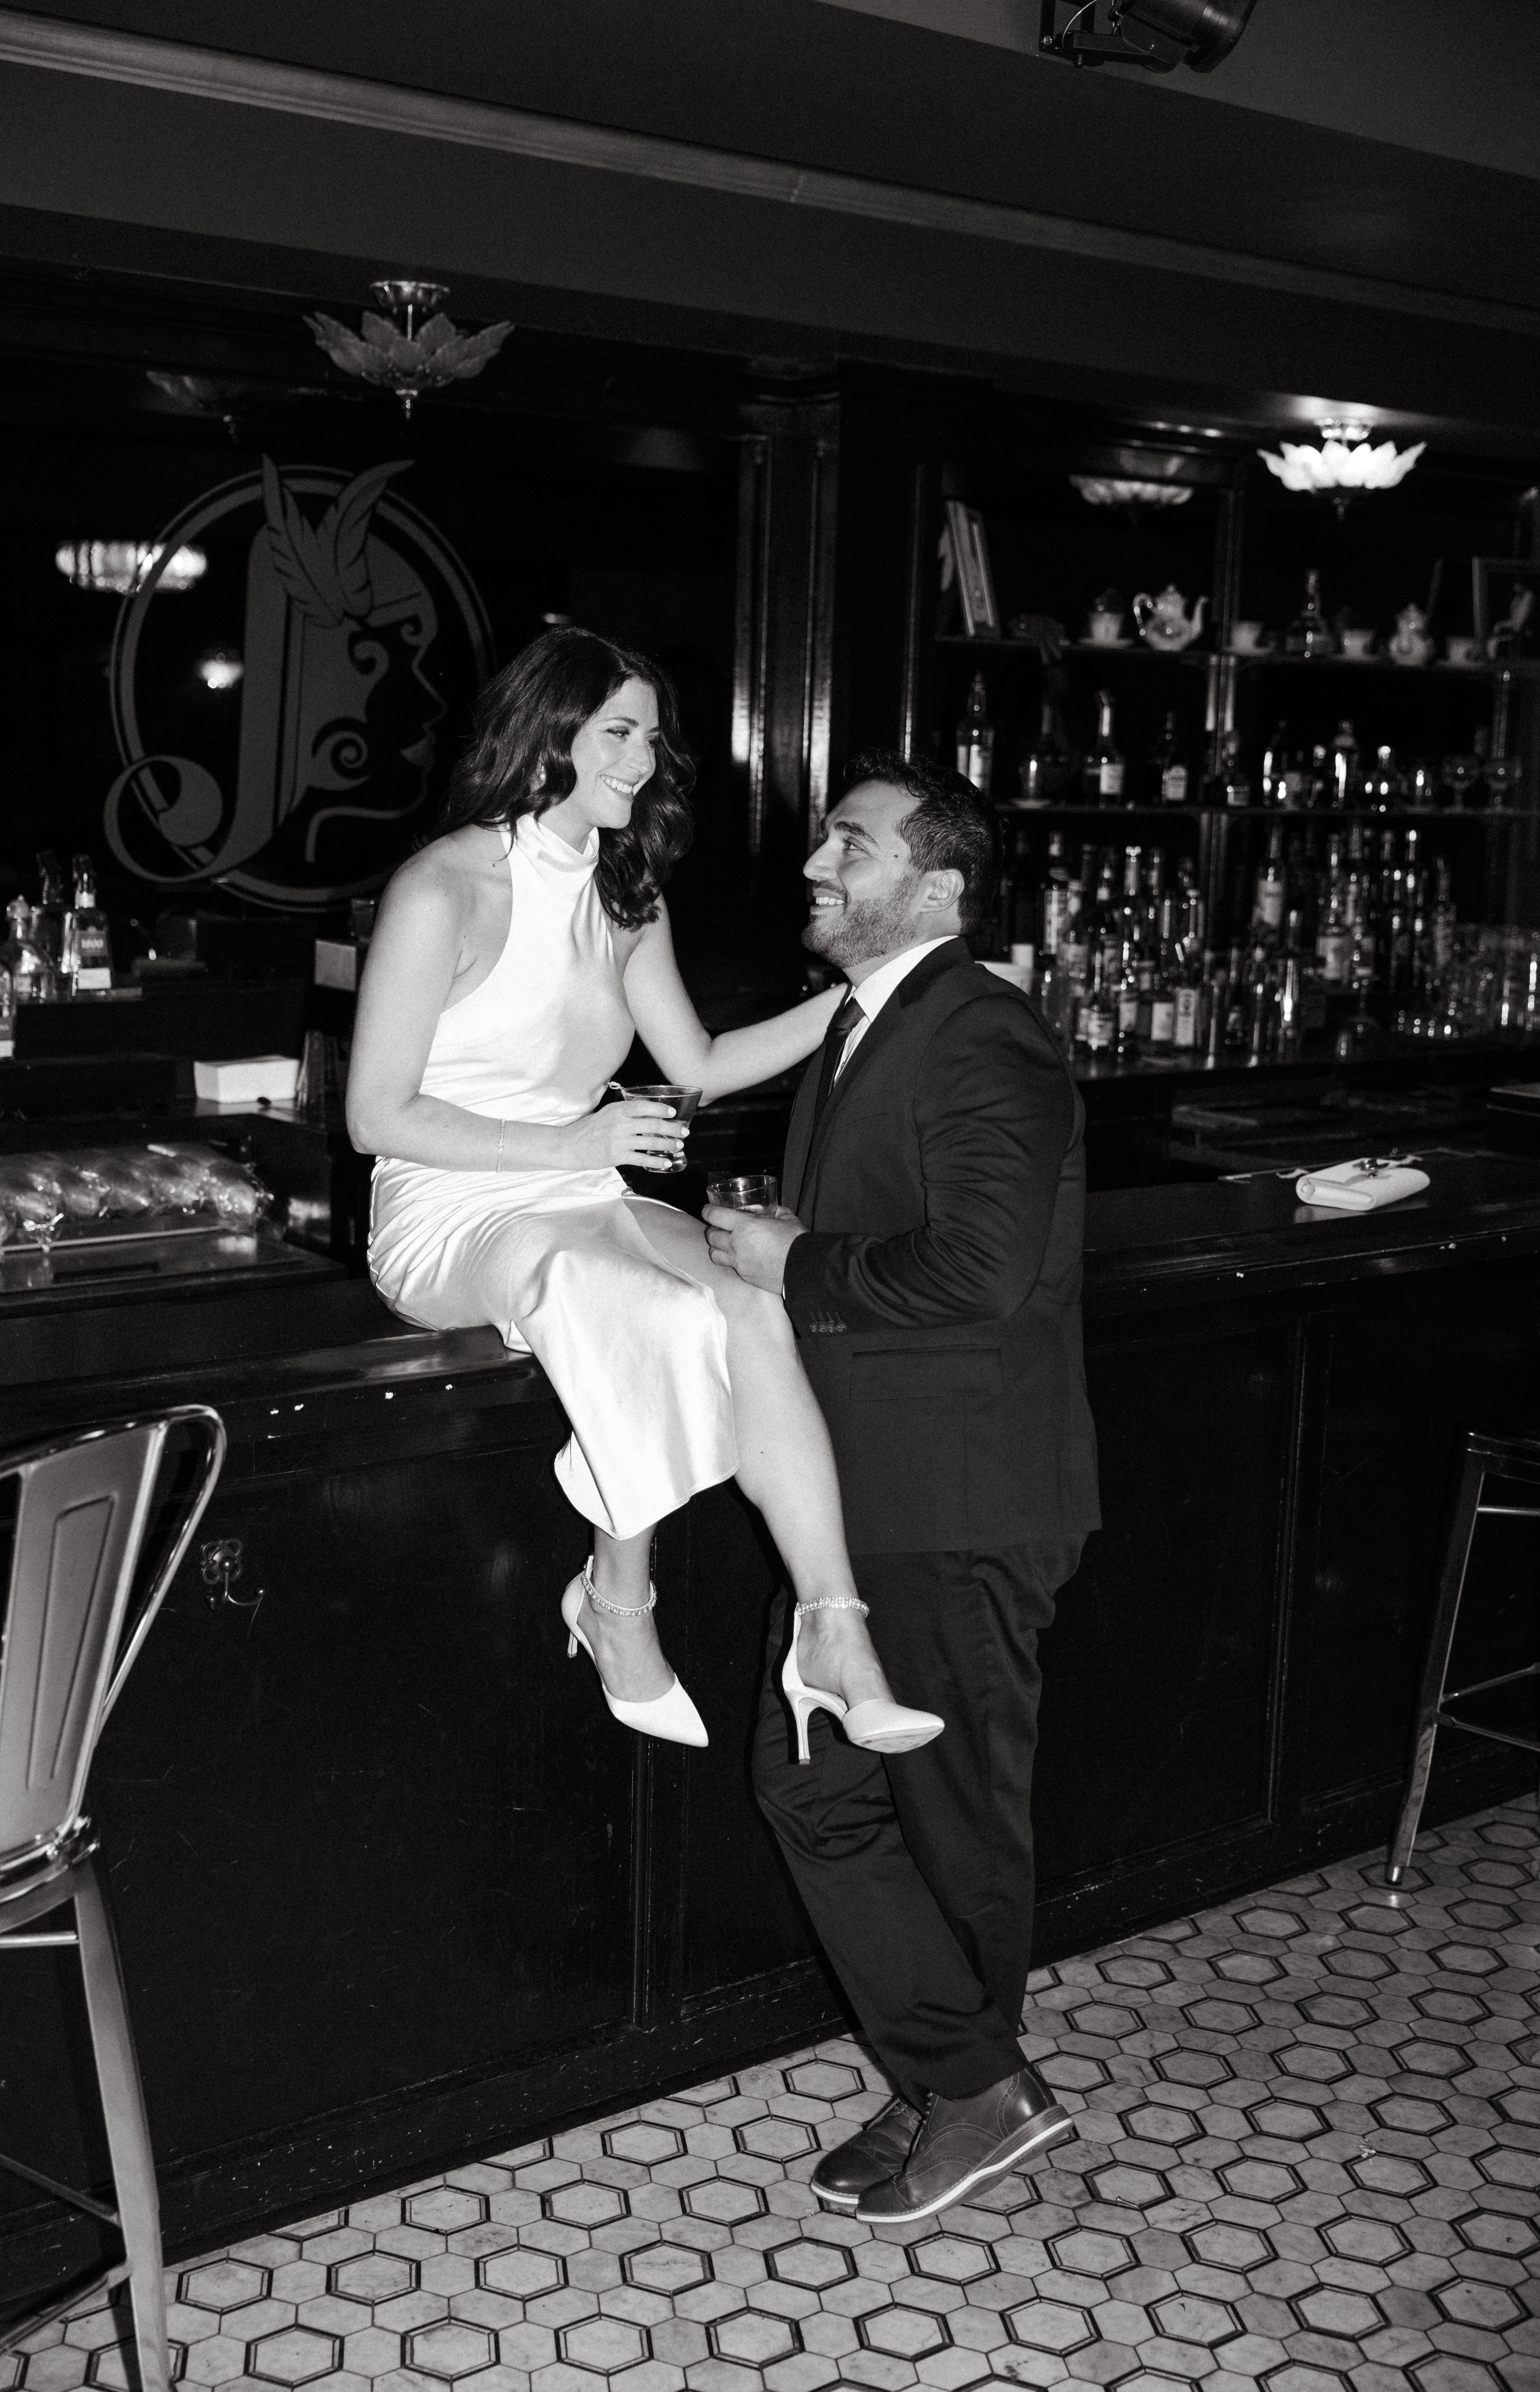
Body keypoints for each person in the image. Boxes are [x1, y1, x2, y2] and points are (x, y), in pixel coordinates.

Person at [346, 629, 942, 1760]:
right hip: (445, 1207)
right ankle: (618, 1596)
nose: (642, 759)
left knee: (747, 1297)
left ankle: (833, 1627)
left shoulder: (627, 893)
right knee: (626, 1295)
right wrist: (575, 1132)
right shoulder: (443, 885)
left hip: (575, 1182)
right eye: (617, 732)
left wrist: (876, 986)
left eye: (650, 736)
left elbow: (703, 1063)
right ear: (544, 734)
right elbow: (377, 1116)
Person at [704, 750, 1100, 2223]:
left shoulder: (983, 1032)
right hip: (867, 1502)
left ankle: (970, 2086)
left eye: (851, 845)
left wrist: (791, 1261)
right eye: (826, 839)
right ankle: (960, 2072)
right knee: (813, 1790)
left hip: (960, 1499)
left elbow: (983, 1272)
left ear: (935, 884)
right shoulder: (875, 1023)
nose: (819, 861)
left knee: (952, 1815)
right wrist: (787, 1249)